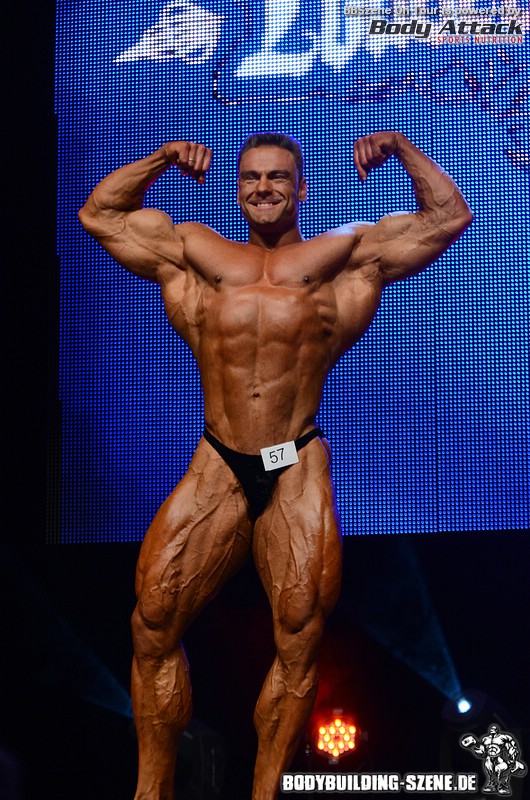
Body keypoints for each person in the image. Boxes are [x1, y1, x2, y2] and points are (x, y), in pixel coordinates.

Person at [79, 131, 472, 799]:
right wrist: (163, 160)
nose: (264, 187)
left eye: (278, 177)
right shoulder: (197, 251)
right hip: (219, 460)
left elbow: (447, 218)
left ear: (301, 188)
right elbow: (100, 215)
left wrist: (402, 148)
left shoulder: (343, 257)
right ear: (238, 189)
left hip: (294, 461)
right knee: (153, 621)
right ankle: (152, 791)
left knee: (298, 635)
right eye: (252, 177)